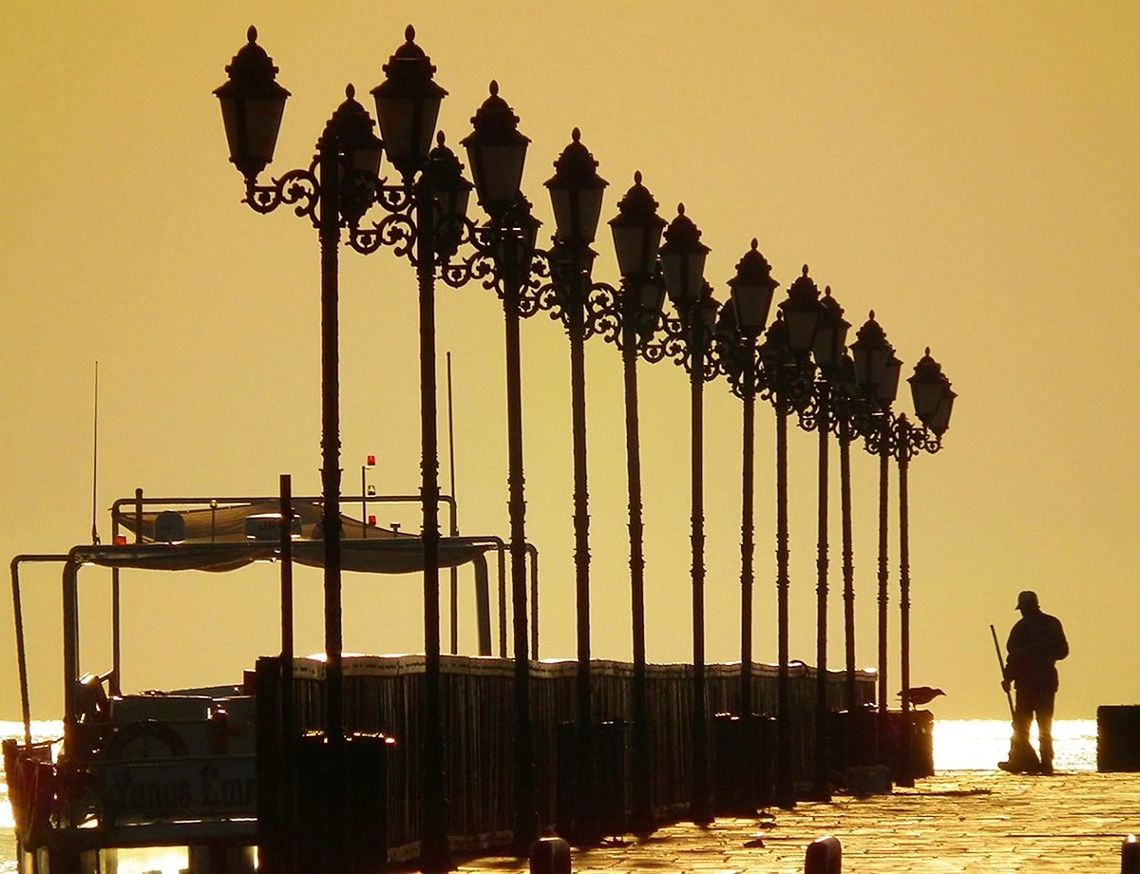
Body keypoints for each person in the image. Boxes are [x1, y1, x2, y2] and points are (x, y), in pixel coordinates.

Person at [1000, 590, 1069, 774]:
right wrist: (1008, 677)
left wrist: (1009, 677)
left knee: (1023, 724)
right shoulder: (1051, 623)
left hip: (1030, 682)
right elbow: (1063, 652)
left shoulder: (1021, 628)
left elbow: (1013, 657)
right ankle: (1032, 761)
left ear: (1026, 607)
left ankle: (1026, 761)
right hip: (1043, 681)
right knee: (1039, 724)